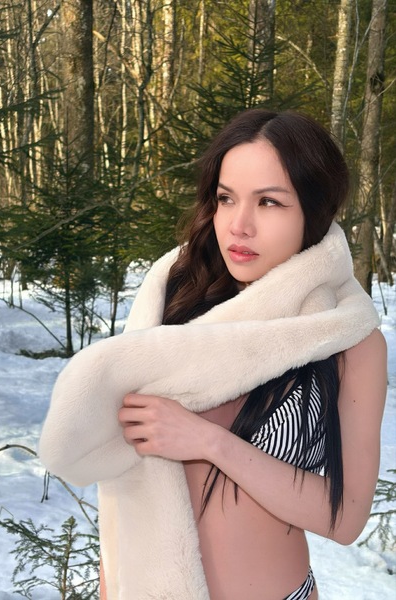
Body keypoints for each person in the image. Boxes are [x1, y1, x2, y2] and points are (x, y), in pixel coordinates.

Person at [39, 109, 387, 600]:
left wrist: (209, 441)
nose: (239, 225)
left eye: (269, 202)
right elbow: (125, 485)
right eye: (226, 198)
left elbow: (345, 518)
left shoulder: (348, 338)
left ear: (314, 211)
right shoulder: (170, 299)